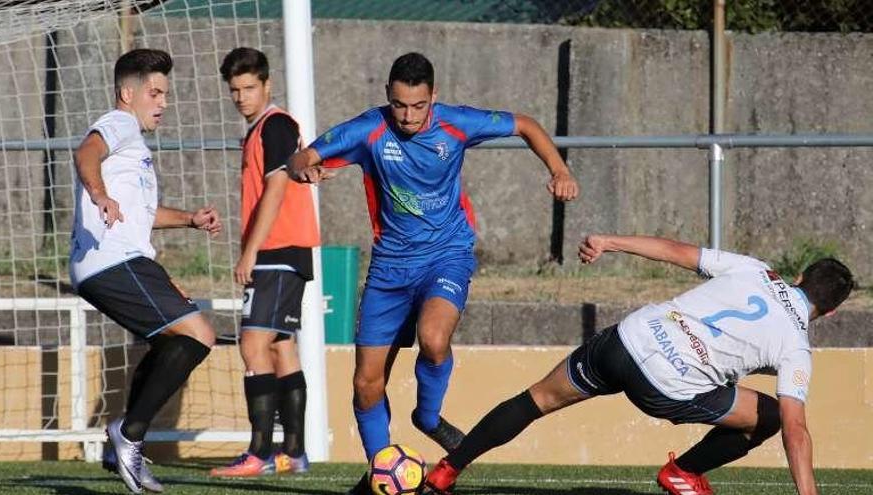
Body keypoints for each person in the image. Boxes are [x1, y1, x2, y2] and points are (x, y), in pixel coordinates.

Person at [288, 52, 579, 494]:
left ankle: (427, 417)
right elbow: (301, 156)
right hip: (389, 267)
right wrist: (305, 169)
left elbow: (525, 123)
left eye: (418, 106)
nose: (408, 116)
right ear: (388, 95)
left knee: (435, 339)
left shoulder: (457, 123)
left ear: (433, 97)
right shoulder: (369, 128)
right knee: (366, 382)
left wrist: (559, 169)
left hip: (447, 255)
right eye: (400, 105)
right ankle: (381, 474)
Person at [422, 234, 854, 495]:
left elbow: (672, 251)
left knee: (535, 400)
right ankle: (683, 473)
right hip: (662, 385)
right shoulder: (796, 346)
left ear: (798, 276)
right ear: (830, 313)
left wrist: (611, 241)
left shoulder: (756, 270)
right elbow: (796, 430)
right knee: (773, 416)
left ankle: (446, 470)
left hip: (626, 340)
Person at [69, 48, 223, 494]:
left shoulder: (133, 144)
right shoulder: (119, 123)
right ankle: (130, 434)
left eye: (165, 94)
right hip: (113, 260)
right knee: (199, 335)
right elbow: (85, 155)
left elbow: (141, 214)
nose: (163, 102)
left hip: (113, 261)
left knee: (170, 342)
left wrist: (190, 220)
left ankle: (121, 444)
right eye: (155, 93)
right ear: (127, 93)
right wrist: (99, 194)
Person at [209, 47, 319, 477]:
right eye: (234, 90)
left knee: (252, 343)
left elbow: (274, 190)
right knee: (280, 345)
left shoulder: (275, 125)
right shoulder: (263, 129)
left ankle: (259, 452)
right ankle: (294, 452)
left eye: (249, 88)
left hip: (276, 250)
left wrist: (250, 250)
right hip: (289, 251)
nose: (241, 97)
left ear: (267, 85)